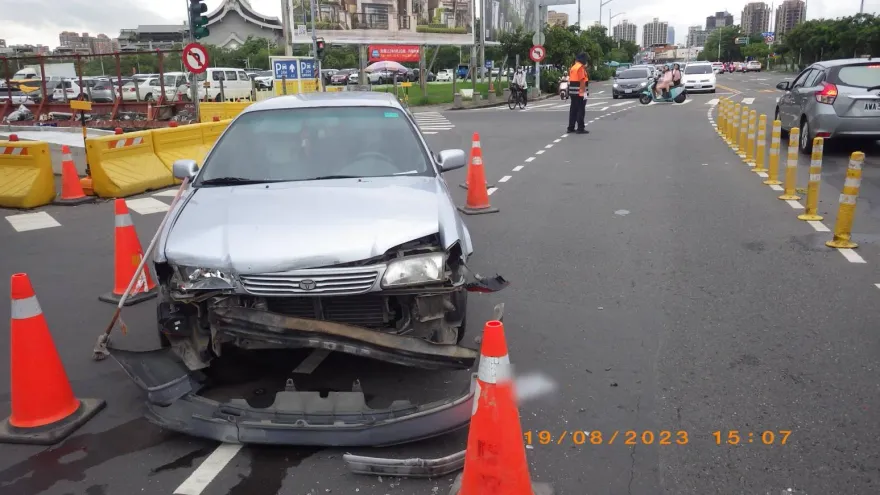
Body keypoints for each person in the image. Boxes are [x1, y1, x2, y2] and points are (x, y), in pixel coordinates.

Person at [567, 52, 589, 134]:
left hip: (573, 92)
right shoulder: (580, 68)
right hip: (580, 93)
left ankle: (571, 127)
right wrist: (584, 93)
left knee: (573, 110)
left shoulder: (573, 67)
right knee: (580, 110)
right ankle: (580, 128)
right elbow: (582, 80)